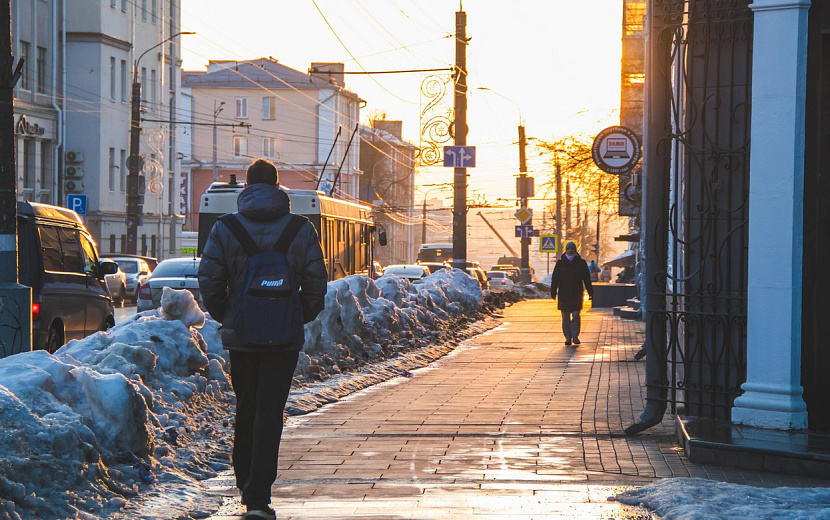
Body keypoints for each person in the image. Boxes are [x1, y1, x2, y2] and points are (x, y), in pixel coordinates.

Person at [198, 159, 327, 520]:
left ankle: (244, 482)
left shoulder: (226, 228)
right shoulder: (300, 229)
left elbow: (209, 278)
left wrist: (229, 315)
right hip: (283, 339)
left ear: (247, 189)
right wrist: (298, 314)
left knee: (247, 406)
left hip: (243, 337)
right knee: (271, 411)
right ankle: (258, 495)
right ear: (277, 186)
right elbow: (317, 282)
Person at [550, 241, 594, 346]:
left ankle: (575, 336)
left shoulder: (581, 263)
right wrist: (553, 291)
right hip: (564, 294)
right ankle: (568, 337)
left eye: (572, 249)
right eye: (569, 249)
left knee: (575, 315)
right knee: (565, 316)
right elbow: (555, 278)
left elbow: (586, 279)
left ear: (575, 250)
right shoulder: (560, 263)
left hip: (576, 293)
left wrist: (590, 292)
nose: (570, 250)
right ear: (566, 250)